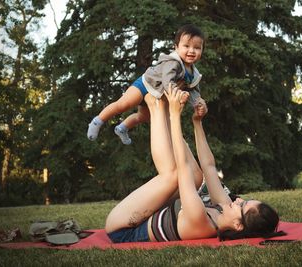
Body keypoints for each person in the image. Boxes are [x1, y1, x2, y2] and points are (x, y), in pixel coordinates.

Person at [105, 85, 284, 242]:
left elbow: (182, 168)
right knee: (198, 177)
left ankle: (156, 106)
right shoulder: (223, 210)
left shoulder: (202, 222)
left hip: (122, 229)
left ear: (238, 226)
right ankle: (160, 114)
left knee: (172, 175)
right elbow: (209, 166)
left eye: (243, 206)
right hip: (145, 218)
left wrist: (174, 115)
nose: (238, 200)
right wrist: (197, 122)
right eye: (245, 201)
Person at [87, 24, 207, 145]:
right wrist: (178, 94)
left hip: (155, 94)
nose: (191, 51)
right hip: (145, 85)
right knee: (124, 104)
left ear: (202, 50)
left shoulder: (194, 73)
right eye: (186, 46)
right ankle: (98, 121)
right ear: (176, 47)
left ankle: (122, 128)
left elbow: (193, 90)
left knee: (143, 117)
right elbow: (167, 81)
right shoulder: (173, 62)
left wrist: (197, 103)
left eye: (197, 47)